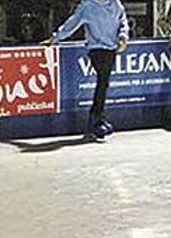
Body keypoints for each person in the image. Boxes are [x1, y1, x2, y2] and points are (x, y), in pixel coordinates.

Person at [48, 0, 129, 139]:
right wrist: (55, 38)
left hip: (111, 49)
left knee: (104, 82)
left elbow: (123, 21)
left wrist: (123, 37)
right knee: (103, 80)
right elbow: (72, 24)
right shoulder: (87, 6)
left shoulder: (115, 4)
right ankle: (97, 119)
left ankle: (97, 118)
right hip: (96, 49)